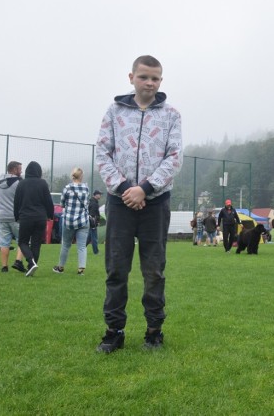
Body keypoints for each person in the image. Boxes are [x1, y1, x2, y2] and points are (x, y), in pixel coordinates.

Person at [95, 55, 183, 353]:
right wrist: (124, 189)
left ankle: (154, 331)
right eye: (144, 77)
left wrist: (144, 189)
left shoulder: (171, 115)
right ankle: (114, 331)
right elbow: (102, 154)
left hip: (156, 204)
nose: (150, 83)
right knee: (116, 270)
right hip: (119, 205)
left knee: (154, 271)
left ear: (161, 81)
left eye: (155, 78)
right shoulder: (114, 112)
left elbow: (174, 158)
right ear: (131, 77)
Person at [13, 161, 54, 277]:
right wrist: (51, 215)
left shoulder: (21, 184)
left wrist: (16, 216)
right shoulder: (43, 183)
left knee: (22, 241)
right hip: (41, 218)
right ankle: (31, 267)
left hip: (26, 217)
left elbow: (17, 202)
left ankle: (31, 262)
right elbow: (48, 201)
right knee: (36, 244)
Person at [0, 161, 26, 273]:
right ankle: (18, 261)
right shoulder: (19, 182)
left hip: (1, 217)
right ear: (14, 169)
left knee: (4, 243)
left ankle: (4, 267)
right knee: (22, 240)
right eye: (20, 169)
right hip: (16, 217)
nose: (21, 171)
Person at [52, 168, 91, 275]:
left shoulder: (67, 188)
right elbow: (87, 202)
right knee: (82, 246)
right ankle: (81, 269)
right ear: (81, 176)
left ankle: (60, 268)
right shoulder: (86, 188)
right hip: (83, 220)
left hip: (69, 221)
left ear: (72, 176)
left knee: (65, 245)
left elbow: (62, 204)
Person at [86, 190, 102, 255]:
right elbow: (92, 214)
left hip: (91, 221)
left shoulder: (93, 201)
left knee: (90, 236)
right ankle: (96, 251)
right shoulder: (94, 203)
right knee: (94, 237)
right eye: (99, 194)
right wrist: (96, 222)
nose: (100, 196)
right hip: (93, 222)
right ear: (96, 195)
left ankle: (82, 248)